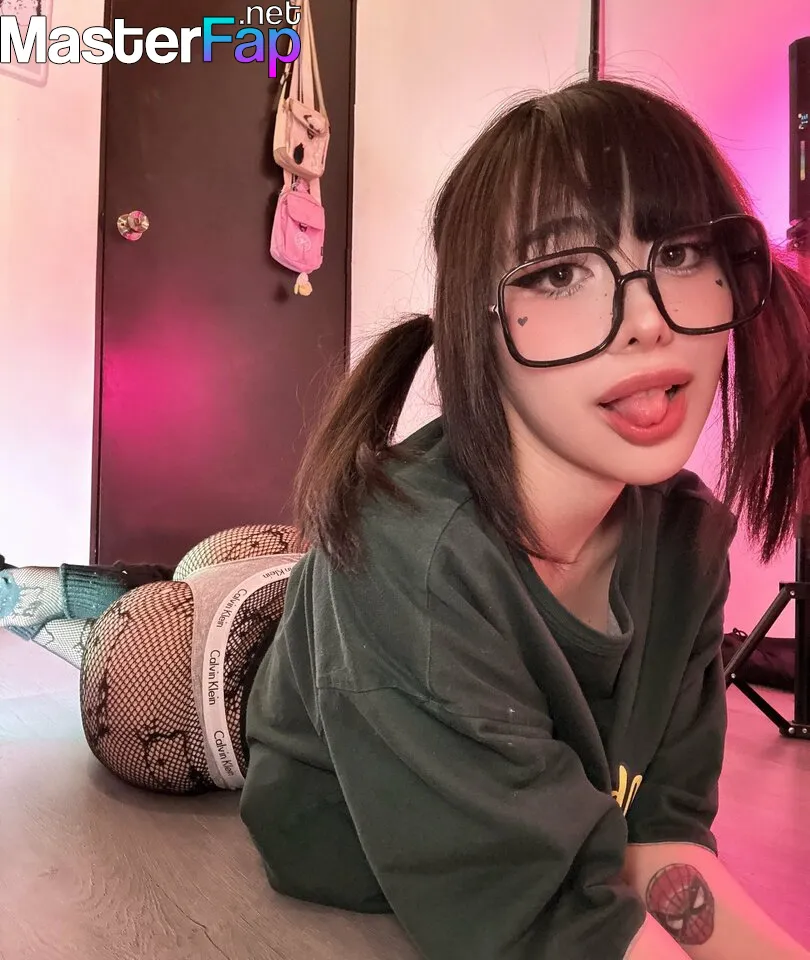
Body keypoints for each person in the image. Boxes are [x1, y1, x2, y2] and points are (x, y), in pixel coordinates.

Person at [2, 76, 810, 959]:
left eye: (682, 253)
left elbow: (663, 848)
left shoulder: (687, 540)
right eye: (559, 272)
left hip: (367, 589)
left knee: (301, 558)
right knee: (151, 637)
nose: (649, 321)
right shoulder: (406, 560)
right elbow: (562, 923)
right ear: (478, 325)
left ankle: (285, 573)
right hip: (227, 674)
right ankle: (61, 591)